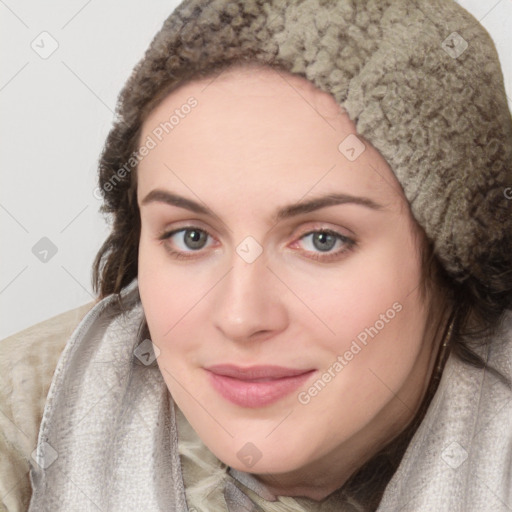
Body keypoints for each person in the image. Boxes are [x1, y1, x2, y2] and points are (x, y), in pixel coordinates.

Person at [1, 0, 511, 510]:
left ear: (458, 257)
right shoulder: (17, 426)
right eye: (191, 237)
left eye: (322, 240)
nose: (241, 317)